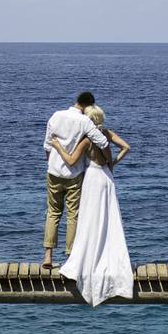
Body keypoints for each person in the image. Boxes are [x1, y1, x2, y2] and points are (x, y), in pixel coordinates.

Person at [49, 104, 133, 307]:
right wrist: (113, 164)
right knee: (108, 219)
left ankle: (85, 257)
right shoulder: (105, 134)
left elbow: (70, 161)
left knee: (89, 221)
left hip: (92, 180)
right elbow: (126, 148)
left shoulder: (86, 140)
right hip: (106, 177)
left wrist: (58, 146)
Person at [42, 91, 111, 270]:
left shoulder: (56, 116)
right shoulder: (85, 121)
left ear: (76, 101)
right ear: (88, 106)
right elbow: (103, 143)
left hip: (54, 172)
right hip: (74, 174)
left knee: (53, 213)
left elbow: (47, 146)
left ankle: (48, 256)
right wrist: (108, 163)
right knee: (73, 215)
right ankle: (70, 257)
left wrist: (52, 163)